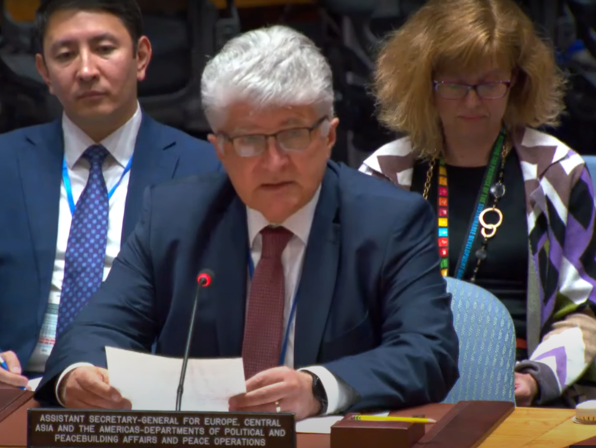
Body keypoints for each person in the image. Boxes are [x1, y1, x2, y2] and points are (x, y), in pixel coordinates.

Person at [34, 25, 459, 419]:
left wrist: (318, 388)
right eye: (250, 140)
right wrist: (78, 375)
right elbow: (96, 330)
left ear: (329, 136)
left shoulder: (389, 221)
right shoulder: (174, 217)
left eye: (293, 135)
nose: (274, 163)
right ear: (219, 148)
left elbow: (428, 351)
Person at [0, 0, 220, 395]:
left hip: (138, 395)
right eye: (65, 55)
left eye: (104, 49)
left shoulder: (204, 167)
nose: (86, 70)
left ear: (141, 57)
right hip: (21, 389)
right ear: (44, 71)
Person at [359, 0, 596, 408]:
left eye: (489, 85)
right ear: (424, 83)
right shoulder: (383, 175)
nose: (472, 103)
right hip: (408, 389)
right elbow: (356, 309)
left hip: (524, 391)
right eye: (454, 85)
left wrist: (535, 378)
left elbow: (585, 312)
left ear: (516, 81)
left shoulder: (558, 172)